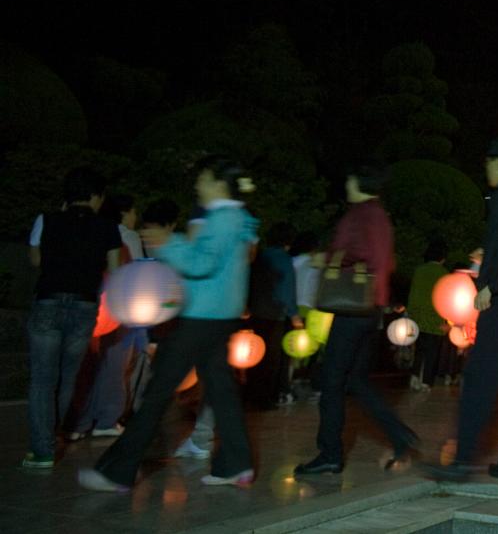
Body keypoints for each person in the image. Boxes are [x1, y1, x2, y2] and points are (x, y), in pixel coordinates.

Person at [80, 156, 257, 492]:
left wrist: (168, 242)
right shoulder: (239, 219)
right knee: (221, 393)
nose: (197, 185)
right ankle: (237, 464)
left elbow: (201, 263)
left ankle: (118, 471)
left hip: (201, 318)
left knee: (158, 392)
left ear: (220, 183)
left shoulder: (222, 219)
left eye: (203, 178)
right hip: (217, 317)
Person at [425, 138, 498, 483]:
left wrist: (491, 282)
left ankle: (463, 461)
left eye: (488, 163)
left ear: (497, 163)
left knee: (479, 378)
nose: (486, 170)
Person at [295, 166, 418, 476]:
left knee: (332, 381)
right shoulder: (381, 216)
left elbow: (355, 252)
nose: (346, 183)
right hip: (371, 308)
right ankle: (398, 433)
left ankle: (330, 453)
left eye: (349, 178)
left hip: (350, 310)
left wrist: (328, 258)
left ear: (360, 182)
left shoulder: (359, 214)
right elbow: (386, 261)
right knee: (356, 380)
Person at [23, 167, 122, 469]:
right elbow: (115, 270)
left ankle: (42, 450)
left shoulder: (47, 220)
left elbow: (36, 260)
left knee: (42, 377)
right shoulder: (108, 227)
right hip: (83, 305)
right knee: (68, 376)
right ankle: (53, 436)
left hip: (48, 301)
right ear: (95, 196)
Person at [69, 193, 144, 441]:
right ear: (124, 213)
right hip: (119, 308)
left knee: (87, 365)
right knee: (115, 365)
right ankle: (107, 419)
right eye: (134, 212)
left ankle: (78, 423)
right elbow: (135, 273)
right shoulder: (127, 237)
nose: (136, 218)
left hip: (88, 304)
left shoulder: (88, 229)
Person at [245, 221, 302, 409]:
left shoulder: (260, 255)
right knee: (271, 358)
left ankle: (251, 395)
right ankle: (265, 399)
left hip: (255, 311)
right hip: (274, 313)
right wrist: (294, 314)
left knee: (254, 356)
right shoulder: (284, 259)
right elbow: (287, 289)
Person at [406, 238, 450, 391]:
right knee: (432, 352)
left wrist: (409, 314)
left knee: (419, 349)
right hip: (436, 318)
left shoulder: (419, 270)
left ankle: (414, 377)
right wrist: (448, 321)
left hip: (417, 316)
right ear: (443, 257)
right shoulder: (444, 274)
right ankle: (426, 382)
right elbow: (447, 299)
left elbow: (413, 294)